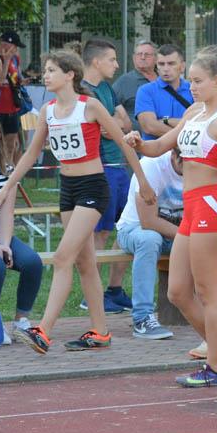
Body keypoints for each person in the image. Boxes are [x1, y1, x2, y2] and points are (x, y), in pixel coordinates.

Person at [0, 51, 154, 355]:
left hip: (93, 186)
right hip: (67, 189)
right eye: (45, 70)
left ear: (70, 75)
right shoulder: (47, 111)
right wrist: (7, 187)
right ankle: (101, 332)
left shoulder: (90, 106)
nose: (45, 75)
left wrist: (143, 182)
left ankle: (44, 330)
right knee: (85, 263)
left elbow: (123, 143)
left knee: (62, 258)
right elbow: (31, 154)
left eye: (51, 70)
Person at [127, 47, 217, 385]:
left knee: (209, 292)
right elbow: (158, 147)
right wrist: (137, 142)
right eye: (190, 81)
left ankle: (215, 368)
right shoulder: (193, 113)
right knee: (177, 291)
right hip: (191, 208)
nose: (192, 86)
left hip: (211, 206)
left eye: (198, 81)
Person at [82, 38, 134, 313]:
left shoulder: (106, 88)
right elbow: (101, 126)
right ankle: (91, 295)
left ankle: (114, 289)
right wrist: (111, 123)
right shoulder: (83, 90)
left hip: (119, 167)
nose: (116, 64)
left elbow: (124, 122)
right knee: (100, 231)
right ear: (96, 61)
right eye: (112, 59)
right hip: (100, 168)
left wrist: (111, 123)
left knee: (127, 226)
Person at [0, 114, 43, 344]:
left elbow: (7, 213)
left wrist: (5, 245)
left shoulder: (8, 170)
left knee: (32, 262)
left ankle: (21, 321)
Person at [116, 149, 184, 340]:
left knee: (215, 240)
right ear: (174, 156)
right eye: (186, 165)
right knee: (150, 238)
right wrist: (189, 237)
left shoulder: (200, 165)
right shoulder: (151, 165)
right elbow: (148, 222)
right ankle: (142, 318)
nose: (192, 171)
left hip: (176, 233)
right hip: (134, 229)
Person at [134, 44, 193, 140]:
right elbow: (149, 126)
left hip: (187, 149)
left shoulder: (193, 89)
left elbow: (201, 122)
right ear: (156, 66)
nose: (165, 69)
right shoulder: (145, 91)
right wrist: (183, 138)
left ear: (182, 66)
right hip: (156, 149)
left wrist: (165, 120)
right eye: (161, 64)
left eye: (171, 64)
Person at [0, 30, 26, 167]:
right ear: (7, 44)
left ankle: (8, 170)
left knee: (11, 143)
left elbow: (16, 78)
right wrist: (6, 60)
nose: (16, 49)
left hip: (12, 108)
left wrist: (21, 81)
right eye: (15, 46)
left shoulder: (15, 59)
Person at [113, 40, 157, 136]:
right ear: (133, 58)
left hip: (165, 138)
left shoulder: (163, 80)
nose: (142, 57)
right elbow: (110, 108)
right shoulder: (123, 82)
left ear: (156, 58)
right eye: (139, 54)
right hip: (136, 140)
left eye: (147, 55)